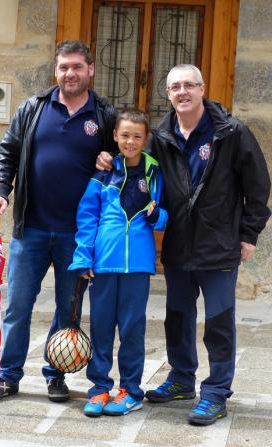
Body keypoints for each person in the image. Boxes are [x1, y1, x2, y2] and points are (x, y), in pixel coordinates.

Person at [96, 64, 271, 425]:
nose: (182, 92)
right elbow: (136, 164)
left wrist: (249, 234)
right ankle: (180, 379)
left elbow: (258, 185)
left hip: (219, 244)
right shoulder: (161, 136)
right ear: (168, 94)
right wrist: (107, 158)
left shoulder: (231, 132)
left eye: (189, 85)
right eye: (175, 87)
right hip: (178, 244)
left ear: (202, 89)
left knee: (219, 322)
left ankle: (216, 392)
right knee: (177, 317)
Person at [0, 40, 117, 405]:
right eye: (63, 67)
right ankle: (7, 377)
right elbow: (7, 153)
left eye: (77, 66)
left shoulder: (104, 115)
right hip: (32, 229)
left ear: (90, 70)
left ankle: (56, 375)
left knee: (68, 311)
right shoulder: (33, 108)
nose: (70, 73)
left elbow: (124, 160)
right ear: (55, 71)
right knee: (17, 306)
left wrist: (111, 159)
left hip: (79, 235)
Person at [69, 109, 168, 417]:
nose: (130, 141)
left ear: (146, 139)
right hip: (103, 262)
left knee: (132, 329)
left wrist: (157, 215)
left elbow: (166, 215)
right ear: (115, 136)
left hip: (138, 264)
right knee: (100, 327)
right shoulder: (104, 171)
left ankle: (130, 391)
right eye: (125, 135)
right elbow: (87, 215)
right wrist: (83, 256)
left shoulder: (154, 171)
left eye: (137, 136)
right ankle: (99, 388)